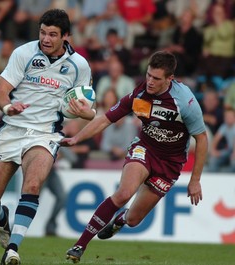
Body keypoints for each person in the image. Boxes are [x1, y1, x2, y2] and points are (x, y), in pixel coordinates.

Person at [63, 51, 208, 263]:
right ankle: (80, 245)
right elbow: (106, 119)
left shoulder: (185, 102)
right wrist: (77, 138)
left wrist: (195, 181)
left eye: (156, 78)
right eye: (148, 75)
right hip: (145, 148)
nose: (149, 81)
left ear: (170, 79)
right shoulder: (140, 93)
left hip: (170, 163)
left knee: (133, 219)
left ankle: (120, 219)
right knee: (123, 194)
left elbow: (202, 139)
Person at [0, 9, 95, 265]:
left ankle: (12, 249)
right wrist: (8, 107)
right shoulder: (23, 53)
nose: (45, 38)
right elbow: (1, 91)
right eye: (43, 32)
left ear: (66, 36)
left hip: (45, 134)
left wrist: (85, 114)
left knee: (31, 186)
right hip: (11, 129)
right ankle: (1, 218)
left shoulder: (80, 66)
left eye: (53, 34)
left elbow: (87, 109)